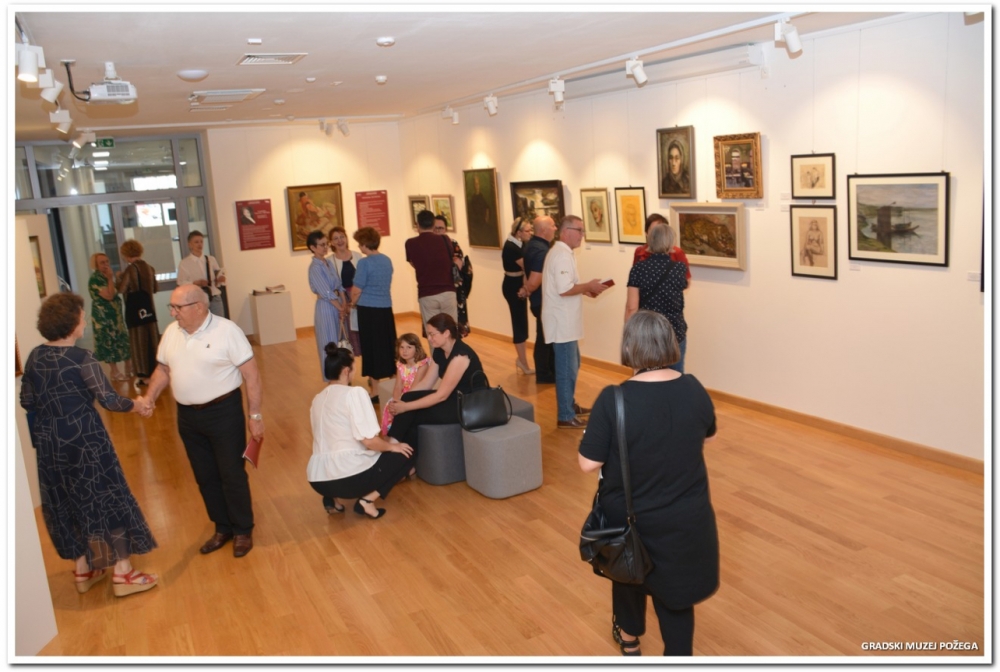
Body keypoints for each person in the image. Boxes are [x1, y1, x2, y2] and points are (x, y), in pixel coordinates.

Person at [578, 310, 719, 656]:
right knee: (677, 599)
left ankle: (629, 641)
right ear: (670, 343)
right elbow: (708, 435)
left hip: (632, 516)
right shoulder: (694, 387)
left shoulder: (614, 399)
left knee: (628, 571)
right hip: (686, 519)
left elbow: (587, 463)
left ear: (630, 347)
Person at [20, 293, 158, 597]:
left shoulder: (35, 356)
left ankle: (84, 569)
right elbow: (109, 400)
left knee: (66, 499)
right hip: (84, 438)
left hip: (50, 440)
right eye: (82, 317)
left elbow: (27, 401)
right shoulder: (83, 358)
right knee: (103, 497)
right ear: (72, 325)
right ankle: (123, 573)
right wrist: (139, 404)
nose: (85, 321)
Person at [139, 285, 264, 558]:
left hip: (223, 413)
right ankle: (222, 527)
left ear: (198, 307)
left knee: (231, 473)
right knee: (205, 476)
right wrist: (149, 397)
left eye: (177, 307)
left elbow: (251, 374)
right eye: (171, 307)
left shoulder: (227, 331)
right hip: (187, 417)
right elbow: (163, 369)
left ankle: (242, 529)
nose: (172, 313)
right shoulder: (172, 332)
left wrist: (254, 416)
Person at [309, 345, 416, 519]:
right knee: (406, 453)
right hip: (347, 478)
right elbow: (369, 441)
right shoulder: (354, 393)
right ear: (346, 371)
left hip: (317, 479)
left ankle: (332, 500)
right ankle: (367, 501)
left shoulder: (317, 399)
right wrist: (393, 447)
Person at [385, 313, 485, 455]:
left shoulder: (461, 355)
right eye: (428, 334)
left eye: (432, 334)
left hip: (468, 405)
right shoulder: (439, 351)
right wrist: (401, 401)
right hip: (453, 397)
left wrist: (406, 407)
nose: (429, 338)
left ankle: (393, 451)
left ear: (446, 333)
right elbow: (427, 383)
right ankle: (396, 450)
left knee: (410, 413)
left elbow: (441, 396)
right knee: (408, 398)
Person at [542, 215, 609, 429]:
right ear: (565, 232)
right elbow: (564, 289)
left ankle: (569, 405)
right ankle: (565, 415)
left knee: (573, 365)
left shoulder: (564, 253)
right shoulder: (561, 255)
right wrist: (587, 286)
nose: (582, 235)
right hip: (562, 323)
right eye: (579, 230)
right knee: (566, 370)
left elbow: (567, 286)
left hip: (567, 322)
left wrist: (585, 290)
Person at [625, 222, 690, 373]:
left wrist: (629, 336)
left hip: (648, 332)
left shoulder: (638, 269)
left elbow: (631, 308)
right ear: (670, 242)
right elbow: (683, 287)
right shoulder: (679, 269)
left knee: (647, 378)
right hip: (674, 331)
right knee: (675, 377)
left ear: (650, 241)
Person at [350, 226, 398, 396]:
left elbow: (357, 290)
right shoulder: (387, 260)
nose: (358, 247)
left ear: (365, 244)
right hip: (385, 310)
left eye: (359, 243)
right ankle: (393, 385)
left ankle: (376, 390)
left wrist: (351, 304)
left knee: (371, 348)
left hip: (368, 311)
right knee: (388, 346)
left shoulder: (364, 263)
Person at [405, 209, 457, 338]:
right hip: (448, 291)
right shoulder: (445, 239)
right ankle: (453, 352)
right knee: (451, 332)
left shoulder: (410, 243)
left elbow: (413, 264)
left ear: (417, 225)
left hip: (427, 294)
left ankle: (436, 352)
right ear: (433, 224)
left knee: (433, 335)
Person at [116, 239, 159, 390]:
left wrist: (118, 277)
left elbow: (121, 289)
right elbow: (155, 288)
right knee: (152, 340)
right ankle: (156, 372)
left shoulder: (130, 270)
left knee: (138, 342)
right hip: (149, 309)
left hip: (135, 311)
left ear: (126, 254)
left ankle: (144, 376)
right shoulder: (149, 268)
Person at [306, 230, 347, 381]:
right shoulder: (315, 268)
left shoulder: (328, 263)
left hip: (337, 305)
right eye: (322, 245)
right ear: (313, 247)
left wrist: (343, 303)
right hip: (326, 308)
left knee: (339, 343)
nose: (325, 248)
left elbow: (339, 285)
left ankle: (342, 376)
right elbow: (326, 292)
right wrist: (340, 307)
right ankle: (331, 378)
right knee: (329, 343)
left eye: (326, 244)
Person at [520, 216, 556, 383]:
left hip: (538, 300)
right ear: (543, 230)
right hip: (542, 301)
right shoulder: (541, 250)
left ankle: (546, 372)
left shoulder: (532, 245)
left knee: (544, 337)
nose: (555, 229)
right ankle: (544, 374)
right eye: (552, 226)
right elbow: (534, 281)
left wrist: (526, 289)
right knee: (545, 339)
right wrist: (528, 289)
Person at [88, 252, 131, 381]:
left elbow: (117, 290)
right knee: (108, 342)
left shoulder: (107, 276)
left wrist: (115, 278)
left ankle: (129, 367)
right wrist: (110, 279)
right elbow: (109, 295)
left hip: (116, 316)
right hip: (104, 318)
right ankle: (115, 372)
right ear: (96, 265)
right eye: (102, 263)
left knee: (122, 339)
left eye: (107, 261)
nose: (106, 264)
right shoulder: (95, 279)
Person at [380, 334, 430, 435]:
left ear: (417, 348)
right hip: (403, 396)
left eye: (409, 347)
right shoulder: (400, 365)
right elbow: (398, 386)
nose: (404, 351)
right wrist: (395, 401)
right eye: (401, 347)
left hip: (416, 397)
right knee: (389, 407)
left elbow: (415, 388)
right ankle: (390, 437)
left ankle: (400, 434)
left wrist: (402, 404)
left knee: (402, 412)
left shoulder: (422, 365)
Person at [502, 217, 534, 374]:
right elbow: (527, 266)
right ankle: (522, 362)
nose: (530, 233)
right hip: (512, 287)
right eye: (528, 230)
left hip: (518, 284)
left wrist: (526, 286)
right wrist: (525, 287)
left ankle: (522, 360)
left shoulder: (521, 244)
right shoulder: (511, 247)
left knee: (522, 322)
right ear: (518, 232)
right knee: (519, 323)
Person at [434, 214, 473, 336]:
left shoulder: (453, 243)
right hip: (435, 291)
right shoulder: (429, 246)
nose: (438, 231)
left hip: (454, 290)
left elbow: (458, 264)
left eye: (441, 228)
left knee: (454, 326)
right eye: (435, 228)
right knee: (437, 328)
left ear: (446, 229)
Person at [633, 214, 692, 287]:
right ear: (646, 233)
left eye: (660, 232)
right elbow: (635, 280)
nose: (657, 235)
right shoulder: (639, 251)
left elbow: (686, 280)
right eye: (653, 231)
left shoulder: (677, 252)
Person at [330, 226, 363, 355]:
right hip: (341, 301)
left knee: (361, 331)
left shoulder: (357, 256)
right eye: (335, 238)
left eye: (342, 237)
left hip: (359, 298)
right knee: (346, 334)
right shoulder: (329, 261)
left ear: (347, 238)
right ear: (331, 243)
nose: (340, 241)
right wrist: (344, 303)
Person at [177, 230, 226, 317]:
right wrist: (195, 283)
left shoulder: (211, 259)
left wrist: (220, 279)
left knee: (219, 322)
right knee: (200, 323)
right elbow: (181, 282)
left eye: (201, 242)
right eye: (196, 242)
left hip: (214, 297)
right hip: (197, 300)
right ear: (190, 244)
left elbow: (218, 275)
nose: (200, 244)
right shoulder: (184, 263)